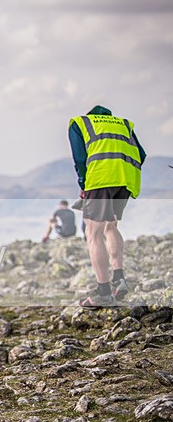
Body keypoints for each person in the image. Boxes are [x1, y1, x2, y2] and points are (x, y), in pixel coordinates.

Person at [68, 105, 146, 307]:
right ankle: (118, 279)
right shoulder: (124, 125)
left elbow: (79, 158)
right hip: (126, 179)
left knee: (93, 233)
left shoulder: (81, 123)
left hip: (101, 178)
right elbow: (142, 155)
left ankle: (103, 291)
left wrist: (84, 184)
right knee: (111, 226)